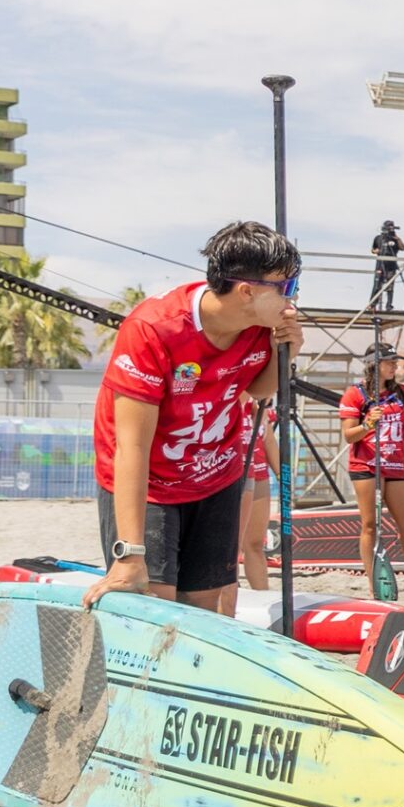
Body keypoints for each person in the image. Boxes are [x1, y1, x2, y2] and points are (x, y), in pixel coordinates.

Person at [89, 222, 304, 609]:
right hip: (152, 482)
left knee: (203, 606)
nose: (294, 299)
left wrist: (282, 353)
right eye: (287, 286)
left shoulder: (263, 326)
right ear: (246, 291)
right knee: (154, 605)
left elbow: (257, 391)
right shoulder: (154, 329)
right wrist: (130, 554)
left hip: (215, 475)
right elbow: (131, 447)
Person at [337, 341, 404, 591]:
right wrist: (367, 424)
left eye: (395, 362)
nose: (394, 366)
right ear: (374, 364)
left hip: (395, 465)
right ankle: (374, 583)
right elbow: (349, 436)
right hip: (366, 466)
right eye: (389, 362)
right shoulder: (355, 394)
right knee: (370, 525)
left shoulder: (402, 393)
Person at [235, 398, 276, 607]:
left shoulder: (259, 405)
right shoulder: (229, 396)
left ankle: (262, 599)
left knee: (255, 544)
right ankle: (229, 597)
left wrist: (283, 475)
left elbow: (269, 441)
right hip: (231, 473)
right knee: (230, 546)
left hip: (257, 471)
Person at [370, 219, 403, 310]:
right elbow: (373, 249)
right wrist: (376, 251)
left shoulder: (395, 239)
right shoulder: (378, 238)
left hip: (391, 266)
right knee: (377, 285)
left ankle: (389, 305)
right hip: (380, 264)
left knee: (390, 287)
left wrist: (398, 239)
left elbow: (403, 248)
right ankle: (372, 305)